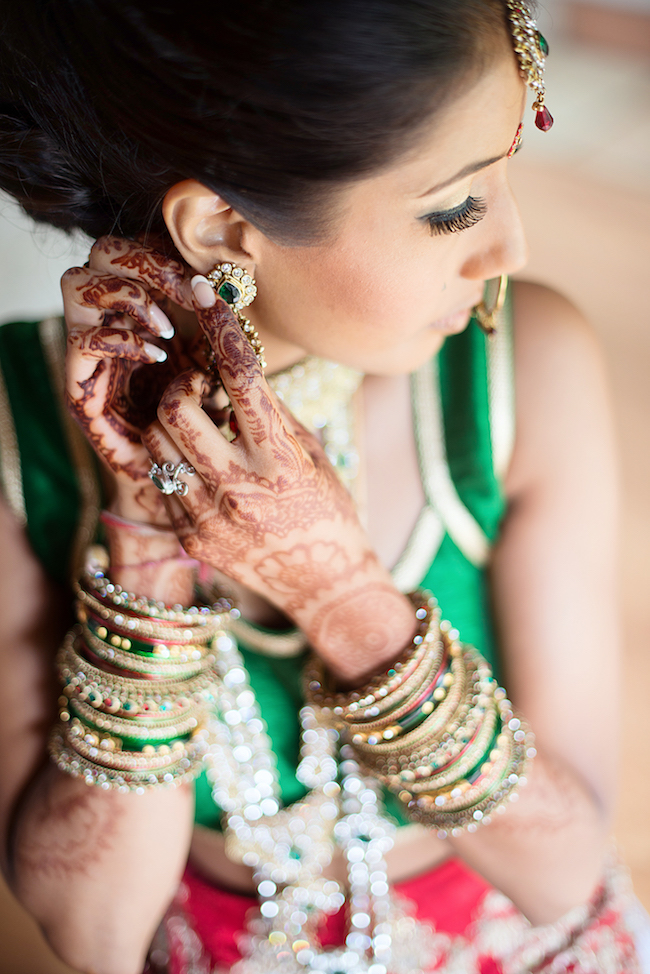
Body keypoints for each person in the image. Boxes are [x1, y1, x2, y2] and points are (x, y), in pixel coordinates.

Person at [0, 1, 644, 972]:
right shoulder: (20, 427)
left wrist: (337, 590)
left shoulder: (519, 371)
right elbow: (92, 930)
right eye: (453, 208)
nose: (506, 248)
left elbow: (558, 870)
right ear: (221, 225)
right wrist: (145, 521)